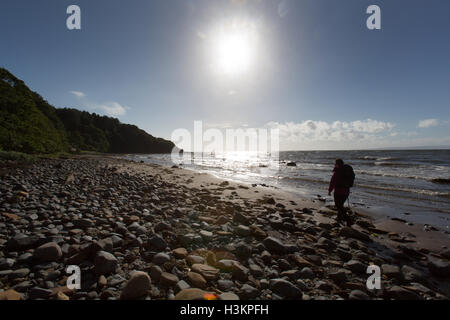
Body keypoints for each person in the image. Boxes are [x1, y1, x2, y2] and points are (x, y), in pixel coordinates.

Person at [328, 159, 353, 226]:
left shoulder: (337, 171)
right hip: (346, 191)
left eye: (335, 164)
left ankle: (348, 220)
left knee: (338, 205)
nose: (334, 165)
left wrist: (330, 190)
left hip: (338, 191)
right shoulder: (347, 170)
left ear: (337, 164)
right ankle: (339, 218)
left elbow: (332, 182)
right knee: (340, 205)